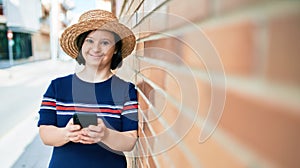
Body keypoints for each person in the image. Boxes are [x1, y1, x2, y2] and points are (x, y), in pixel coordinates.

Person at [37, 9, 138, 168]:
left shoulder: (126, 91)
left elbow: (130, 140)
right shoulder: (57, 87)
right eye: (89, 41)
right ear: (81, 44)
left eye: (105, 42)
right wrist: (66, 133)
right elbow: (45, 133)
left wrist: (105, 134)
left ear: (116, 48)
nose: (96, 48)